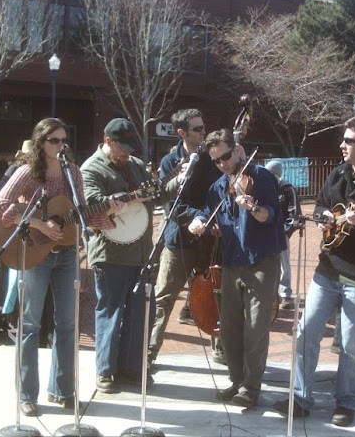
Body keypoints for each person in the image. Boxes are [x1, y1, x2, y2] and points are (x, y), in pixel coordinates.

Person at [273, 116, 355, 427]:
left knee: (350, 344)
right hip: (328, 270)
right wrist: (324, 218)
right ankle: (301, 397)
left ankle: (346, 402)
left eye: (348, 141)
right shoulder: (339, 174)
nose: (341, 145)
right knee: (306, 332)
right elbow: (320, 205)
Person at [0, 118, 117, 417]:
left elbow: (82, 214)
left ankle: (62, 390)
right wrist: (38, 224)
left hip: (67, 254)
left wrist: (110, 210)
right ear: (40, 142)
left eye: (63, 140)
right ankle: (27, 394)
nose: (60, 146)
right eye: (54, 140)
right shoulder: (27, 172)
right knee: (31, 324)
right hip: (35, 253)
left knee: (69, 324)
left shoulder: (73, 172)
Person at [81, 118, 181, 395]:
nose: (126, 153)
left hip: (140, 252)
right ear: (107, 140)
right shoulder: (91, 168)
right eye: (121, 147)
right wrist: (126, 198)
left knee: (139, 313)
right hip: (109, 252)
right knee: (111, 311)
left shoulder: (135, 165)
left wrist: (177, 182)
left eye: (129, 148)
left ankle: (131, 369)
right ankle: (105, 371)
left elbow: (157, 195)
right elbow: (90, 204)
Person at [189, 128, 285, 409]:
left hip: (261, 260)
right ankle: (236, 380)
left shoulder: (261, 176)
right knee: (229, 327)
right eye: (217, 160)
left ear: (237, 149)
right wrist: (200, 221)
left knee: (256, 327)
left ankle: (251, 387)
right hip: (231, 260)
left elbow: (271, 216)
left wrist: (252, 206)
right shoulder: (218, 187)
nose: (223, 164)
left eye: (227, 156)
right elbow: (208, 213)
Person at [148, 109, 225, 367]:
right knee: (164, 298)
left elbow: (219, 195)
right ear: (182, 132)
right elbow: (170, 202)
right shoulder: (170, 162)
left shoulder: (211, 159)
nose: (203, 132)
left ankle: (221, 351)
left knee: (215, 295)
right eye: (198, 129)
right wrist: (195, 217)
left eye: (204, 127)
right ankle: (149, 353)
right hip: (178, 239)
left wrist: (209, 220)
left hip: (209, 241)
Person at [264, 159, 301, 310]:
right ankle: (272, 294)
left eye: (270, 174)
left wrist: (285, 231)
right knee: (268, 263)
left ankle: (286, 294)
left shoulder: (287, 189)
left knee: (283, 264)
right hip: (267, 232)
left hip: (281, 232)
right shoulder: (266, 187)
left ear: (276, 174)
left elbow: (294, 213)